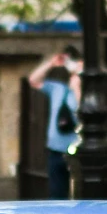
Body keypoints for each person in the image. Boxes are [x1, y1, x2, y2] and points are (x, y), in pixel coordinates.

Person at [29, 48, 81, 197]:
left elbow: (82, 112)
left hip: (75, 151)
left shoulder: (85, 89)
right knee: (56, 194)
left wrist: (77, 87)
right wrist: (51, 63)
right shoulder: (58, 88)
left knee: (78, 193)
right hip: (56, 150)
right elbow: (34, 80)